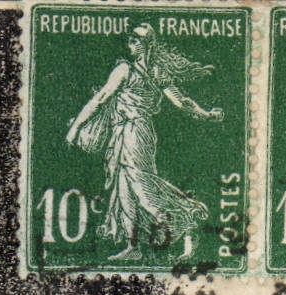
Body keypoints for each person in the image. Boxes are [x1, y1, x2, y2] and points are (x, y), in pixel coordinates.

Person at [66, 25, 224, 262]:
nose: (130, 44)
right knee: (124, 190)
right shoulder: (146, 70)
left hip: (135, 133)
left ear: (145, 44)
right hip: (126, 132)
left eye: (134, 40)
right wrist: (206, 114)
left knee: (142, 187)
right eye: (130, 40)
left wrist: (75, 127)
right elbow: (181, 102)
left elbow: (100, 99)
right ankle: (133, 246)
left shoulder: (130, 70)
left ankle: (188, 220)